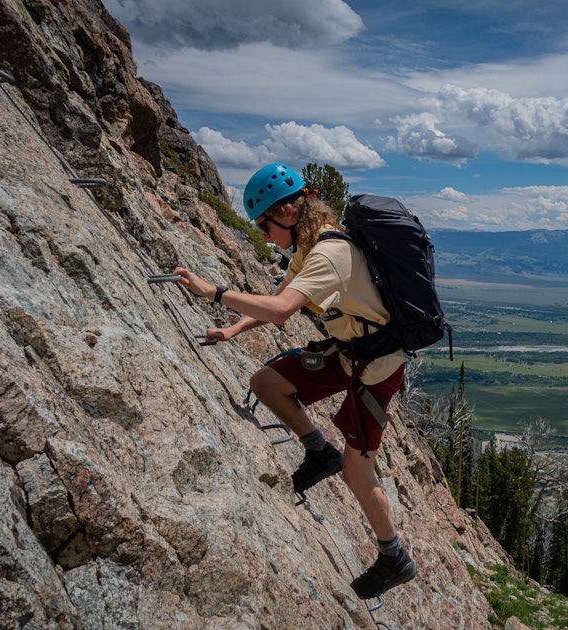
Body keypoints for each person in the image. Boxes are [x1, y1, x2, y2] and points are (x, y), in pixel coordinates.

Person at [172, 162, 416, 599]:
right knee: (266, 383)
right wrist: (232, 329)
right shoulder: (308, 248)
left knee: (358, 473)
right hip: (350, 352)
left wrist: (215, 293)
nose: (264, 236)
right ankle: (320, 453)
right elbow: (276, 300)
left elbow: (282, 310)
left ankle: (393, 556)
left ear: (286, 212)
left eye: (264, 225)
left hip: (376, 367)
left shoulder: (328, 255)